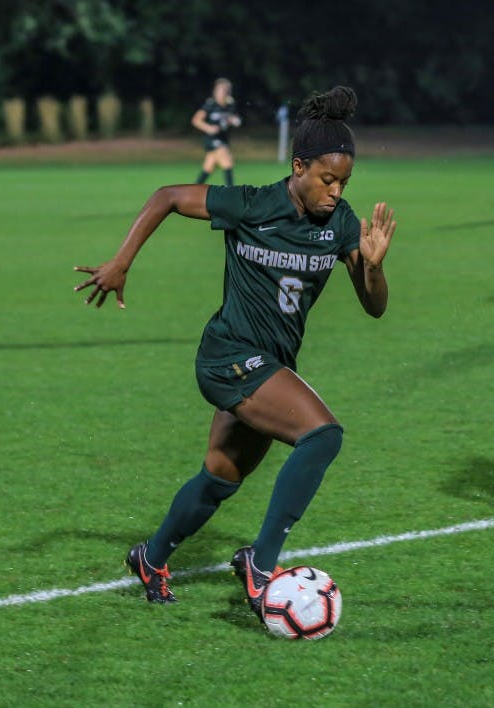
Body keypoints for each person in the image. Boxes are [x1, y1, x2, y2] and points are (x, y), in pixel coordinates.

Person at [74, 86, 397, 618]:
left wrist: (375, 266)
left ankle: (151, 559)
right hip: (229, 355)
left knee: (220, 478)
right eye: (327, 179)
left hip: (270, 366)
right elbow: (167, 197)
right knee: (322, 436)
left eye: (344, 182)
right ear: (298, 167)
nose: (336, 192)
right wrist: (121, 261)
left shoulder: (340, 224)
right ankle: (262, 567)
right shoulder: (252, 204)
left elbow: (375, 307)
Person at [192, 78, 242, 186]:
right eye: (222, 90)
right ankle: (230, 193)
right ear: (216, 91)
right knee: (227, 162)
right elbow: (196, 120)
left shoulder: (230, 105)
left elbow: (235, 119)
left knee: (208, 168)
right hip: (212, 140)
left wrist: (234, 121)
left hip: (223, 138)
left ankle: (192, 191)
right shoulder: (210, 105)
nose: (224, 92)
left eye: (227, 90)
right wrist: (208, 128)